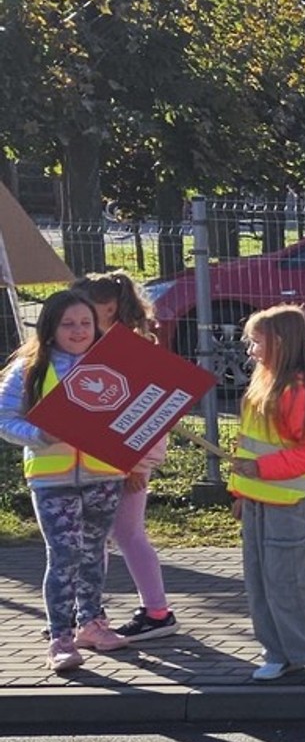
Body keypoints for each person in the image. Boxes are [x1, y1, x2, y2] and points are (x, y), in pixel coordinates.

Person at [0, 290, 128, 672]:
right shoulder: (29, 368)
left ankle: (92, 623)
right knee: (64, 554)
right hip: (52, 479)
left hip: (105, 474)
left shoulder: (116, 362)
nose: (78, 330)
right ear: (50, 328)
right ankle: (60, 637)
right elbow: (4, 419)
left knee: (94, 552)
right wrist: (40, 435)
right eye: (68, 323)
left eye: (85, 323)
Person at [228, 306, 305, 683]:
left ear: (278, 342)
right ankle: (278, 651)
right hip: (258, 496)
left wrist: (260, 470)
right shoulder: (268, 378)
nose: (250, 350)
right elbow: (250, 442)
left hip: (288, 498)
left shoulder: (301, 388)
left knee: (289, 578)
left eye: (256, 342)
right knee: (260, 579)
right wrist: (240, 491)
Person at [73, 271, 178, 641]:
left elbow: (151, 413)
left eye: (85, 309)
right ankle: (89, 613)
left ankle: (157, 612)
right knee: (97, 535)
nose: (77, 318)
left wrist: (137, 464)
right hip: (96, 460)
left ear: (109, 308)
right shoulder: (94, 346)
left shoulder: (132, 348)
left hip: (127, 463)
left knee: (127, 534)